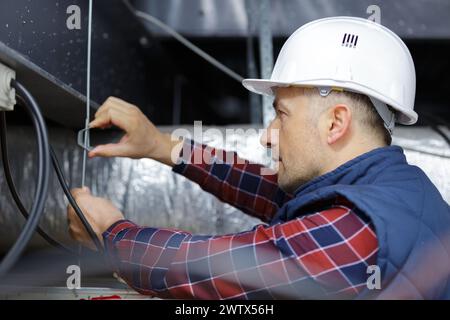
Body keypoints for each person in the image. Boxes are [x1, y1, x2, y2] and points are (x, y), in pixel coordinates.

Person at [67, 17, 450, 299]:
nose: (267, 136)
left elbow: (208, 269)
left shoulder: (356, 234)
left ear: (335, 122)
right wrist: (160, 146)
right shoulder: (394, 189)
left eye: (281, 114)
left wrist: (110, 234)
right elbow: (262, 187)